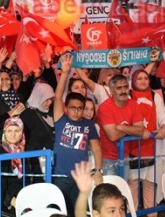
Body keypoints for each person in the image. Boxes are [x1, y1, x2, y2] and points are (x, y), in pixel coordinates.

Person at [53, 53, 103, 215]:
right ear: (66, 108)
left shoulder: (89, 124)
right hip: (60, 176)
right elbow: (58, 95)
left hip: (81, 176)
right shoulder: (61, 119)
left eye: (79, 108)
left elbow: (96, 149)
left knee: (80, 211)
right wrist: (65, 73)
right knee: (61, 212)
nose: (76, 111)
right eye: (72, 107)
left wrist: (98, 171)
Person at [128, 69, 165, 215]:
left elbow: (162, 114)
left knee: (150, 187)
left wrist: (164, 126)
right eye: (139, 78)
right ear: (133, 81)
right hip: (131, 149)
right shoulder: (127, 95)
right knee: (132, 187)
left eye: (145, 78)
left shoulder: (155, 96)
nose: (143, 81)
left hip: (151, 148)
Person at [97, 74, 144, 177]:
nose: (123, 91)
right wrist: (131, 129)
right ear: (111, 90)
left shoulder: (134, 105)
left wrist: (121, 127)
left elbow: (141, 131)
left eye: (125, 87)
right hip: (108, 157)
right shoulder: (105, 107)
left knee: (124, 190)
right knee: (111, 191)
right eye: (119, 88)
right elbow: (113, 136)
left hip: (125, 155)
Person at [0, 117, 26, 217]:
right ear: (4, 132)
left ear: (22, 132)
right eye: (9, 131)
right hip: (3, 205)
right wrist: (12, 201)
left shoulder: (27, 152)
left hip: (24, 202)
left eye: (17, 131)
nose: (13, 135)